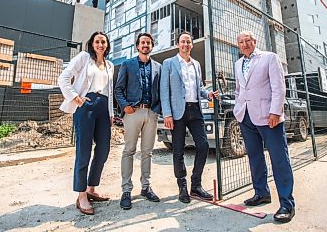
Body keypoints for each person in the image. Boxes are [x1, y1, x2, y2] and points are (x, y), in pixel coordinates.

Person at [233, 31, 295, 223]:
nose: (245, 44)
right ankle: (261, 193)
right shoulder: (237, 64)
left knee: (279, 159)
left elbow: (279, 87)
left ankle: (287, 203)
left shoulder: (269, 58)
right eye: (241, 42)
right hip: (246, 116)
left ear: (254, 41)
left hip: (269, 117)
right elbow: (239, 89)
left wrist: (275, 111)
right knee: (255, 157)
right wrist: (238, 109)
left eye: (247, 41)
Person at [58, 31, 114, 215]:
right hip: (86, 107)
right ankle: (81, 195)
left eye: (103, 42)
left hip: (104, 109)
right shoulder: (84, 58)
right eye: (97, 41)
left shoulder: (110, 65)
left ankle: (91, 189)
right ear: (92, 44)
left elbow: (110, 91)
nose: (100, 44)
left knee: (103, 150)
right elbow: (64, 77)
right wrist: (75, 97)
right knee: (84, 151)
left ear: (107, 45)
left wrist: (111, 113)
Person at [160, 31, 219, 203]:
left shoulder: (196, 64)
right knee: (178, 150)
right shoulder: (169, 63)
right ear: (178, 44)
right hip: (177, 112)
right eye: (182, 41)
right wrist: (167, 114)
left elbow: (199, 87)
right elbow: (164, 91)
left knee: (203, 145)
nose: (185, 44)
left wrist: (208, 95)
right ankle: (182, 187)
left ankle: (196, 184)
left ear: (192, 45)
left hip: (195, 110)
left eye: (188, 42)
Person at [115, 33, 162, 210]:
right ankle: (126, 190)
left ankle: (145, 187)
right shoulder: (127, 65)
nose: (145, 45)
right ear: (137, 46)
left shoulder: (159, 67)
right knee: (129, 150)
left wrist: (158, 109)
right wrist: (125, 106)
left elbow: (161, 89)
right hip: (132, 112)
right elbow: (118, 89)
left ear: (151, 46)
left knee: (147, 152)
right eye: (142, 42)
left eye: (148, 43)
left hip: (151, 113)